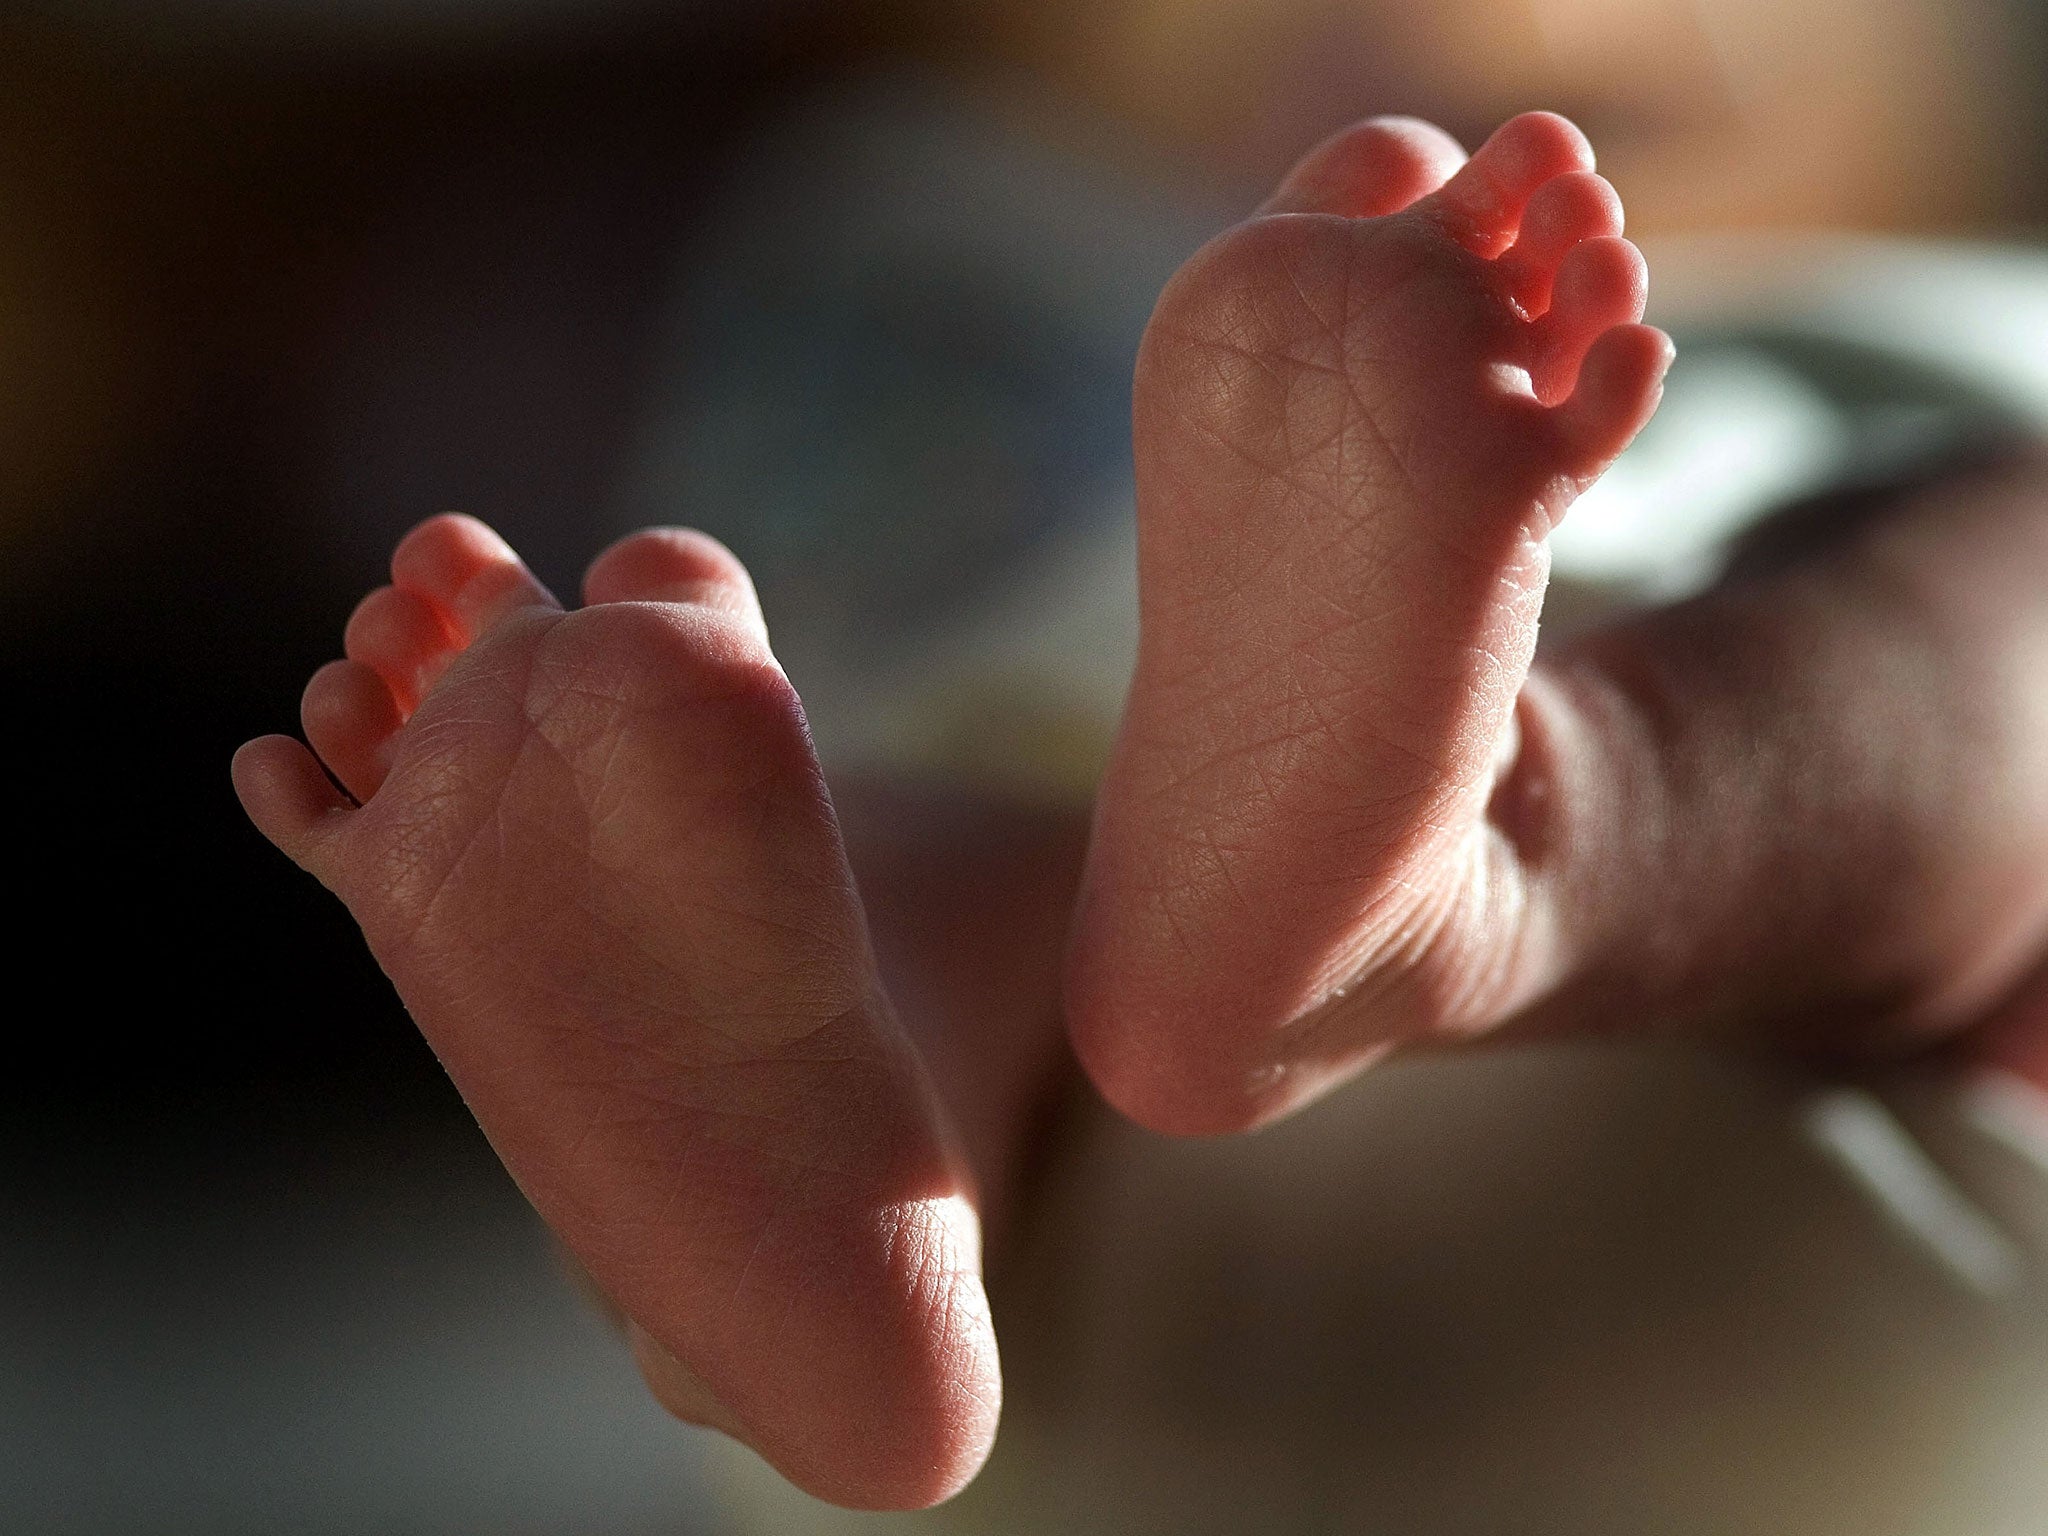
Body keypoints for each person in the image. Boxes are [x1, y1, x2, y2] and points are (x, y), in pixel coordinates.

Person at [231, 112, 2048, 1512]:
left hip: (1036, 1387)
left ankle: (878, 1111)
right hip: (1762, 1321)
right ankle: (1387, 877)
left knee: (941, 826)